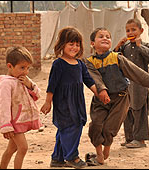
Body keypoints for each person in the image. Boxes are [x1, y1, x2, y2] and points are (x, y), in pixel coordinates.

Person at [82, 27, 149, 165]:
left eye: (108, 37)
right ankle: (98, 153)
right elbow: (94, 78)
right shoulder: (89, 61)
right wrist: (102, 90)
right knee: (96, 124)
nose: (105, 38)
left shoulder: (117, 58)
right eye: (101, 36)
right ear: (92, 43)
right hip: (100, 99)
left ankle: (106, 150)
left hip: (120, 98)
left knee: (110, 127)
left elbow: (136, 73)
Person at [40, 27, 110, 169]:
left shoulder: (80, 64)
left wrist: (100, 94)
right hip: (63, 103)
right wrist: (48, 102)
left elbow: (89, 81)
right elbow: (52, 85)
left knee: (67, 128)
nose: (74, 47)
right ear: (62, 45)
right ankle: (72, 157)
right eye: (71, 44)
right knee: (70, 128)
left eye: (77, 44)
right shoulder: (58, 64)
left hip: (77, 102)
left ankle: (57, 159)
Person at [0, 46, 42, 169]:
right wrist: (6, 126)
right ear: (10, 66)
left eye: (28, 68)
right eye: (22, 68)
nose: (26, 71)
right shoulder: (6, 84)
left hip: (20, 120)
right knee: (23, 147)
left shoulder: (23, 79)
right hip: (13, 123)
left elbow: (37, 95)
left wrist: (30, 84)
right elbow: (2, 106)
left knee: (11, 149)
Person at [114, 18, 149, 148]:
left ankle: (140, 139)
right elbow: (115, 59)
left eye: (133, 30)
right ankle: (129, 137)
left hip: (140, 84)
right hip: (127, 84)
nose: (130, 32)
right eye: (128, 30)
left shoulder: (146, 45)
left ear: (141, 31)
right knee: (127, 111)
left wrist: (139, 46)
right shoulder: (124, 47)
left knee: (139, 109)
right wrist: (117, 47)